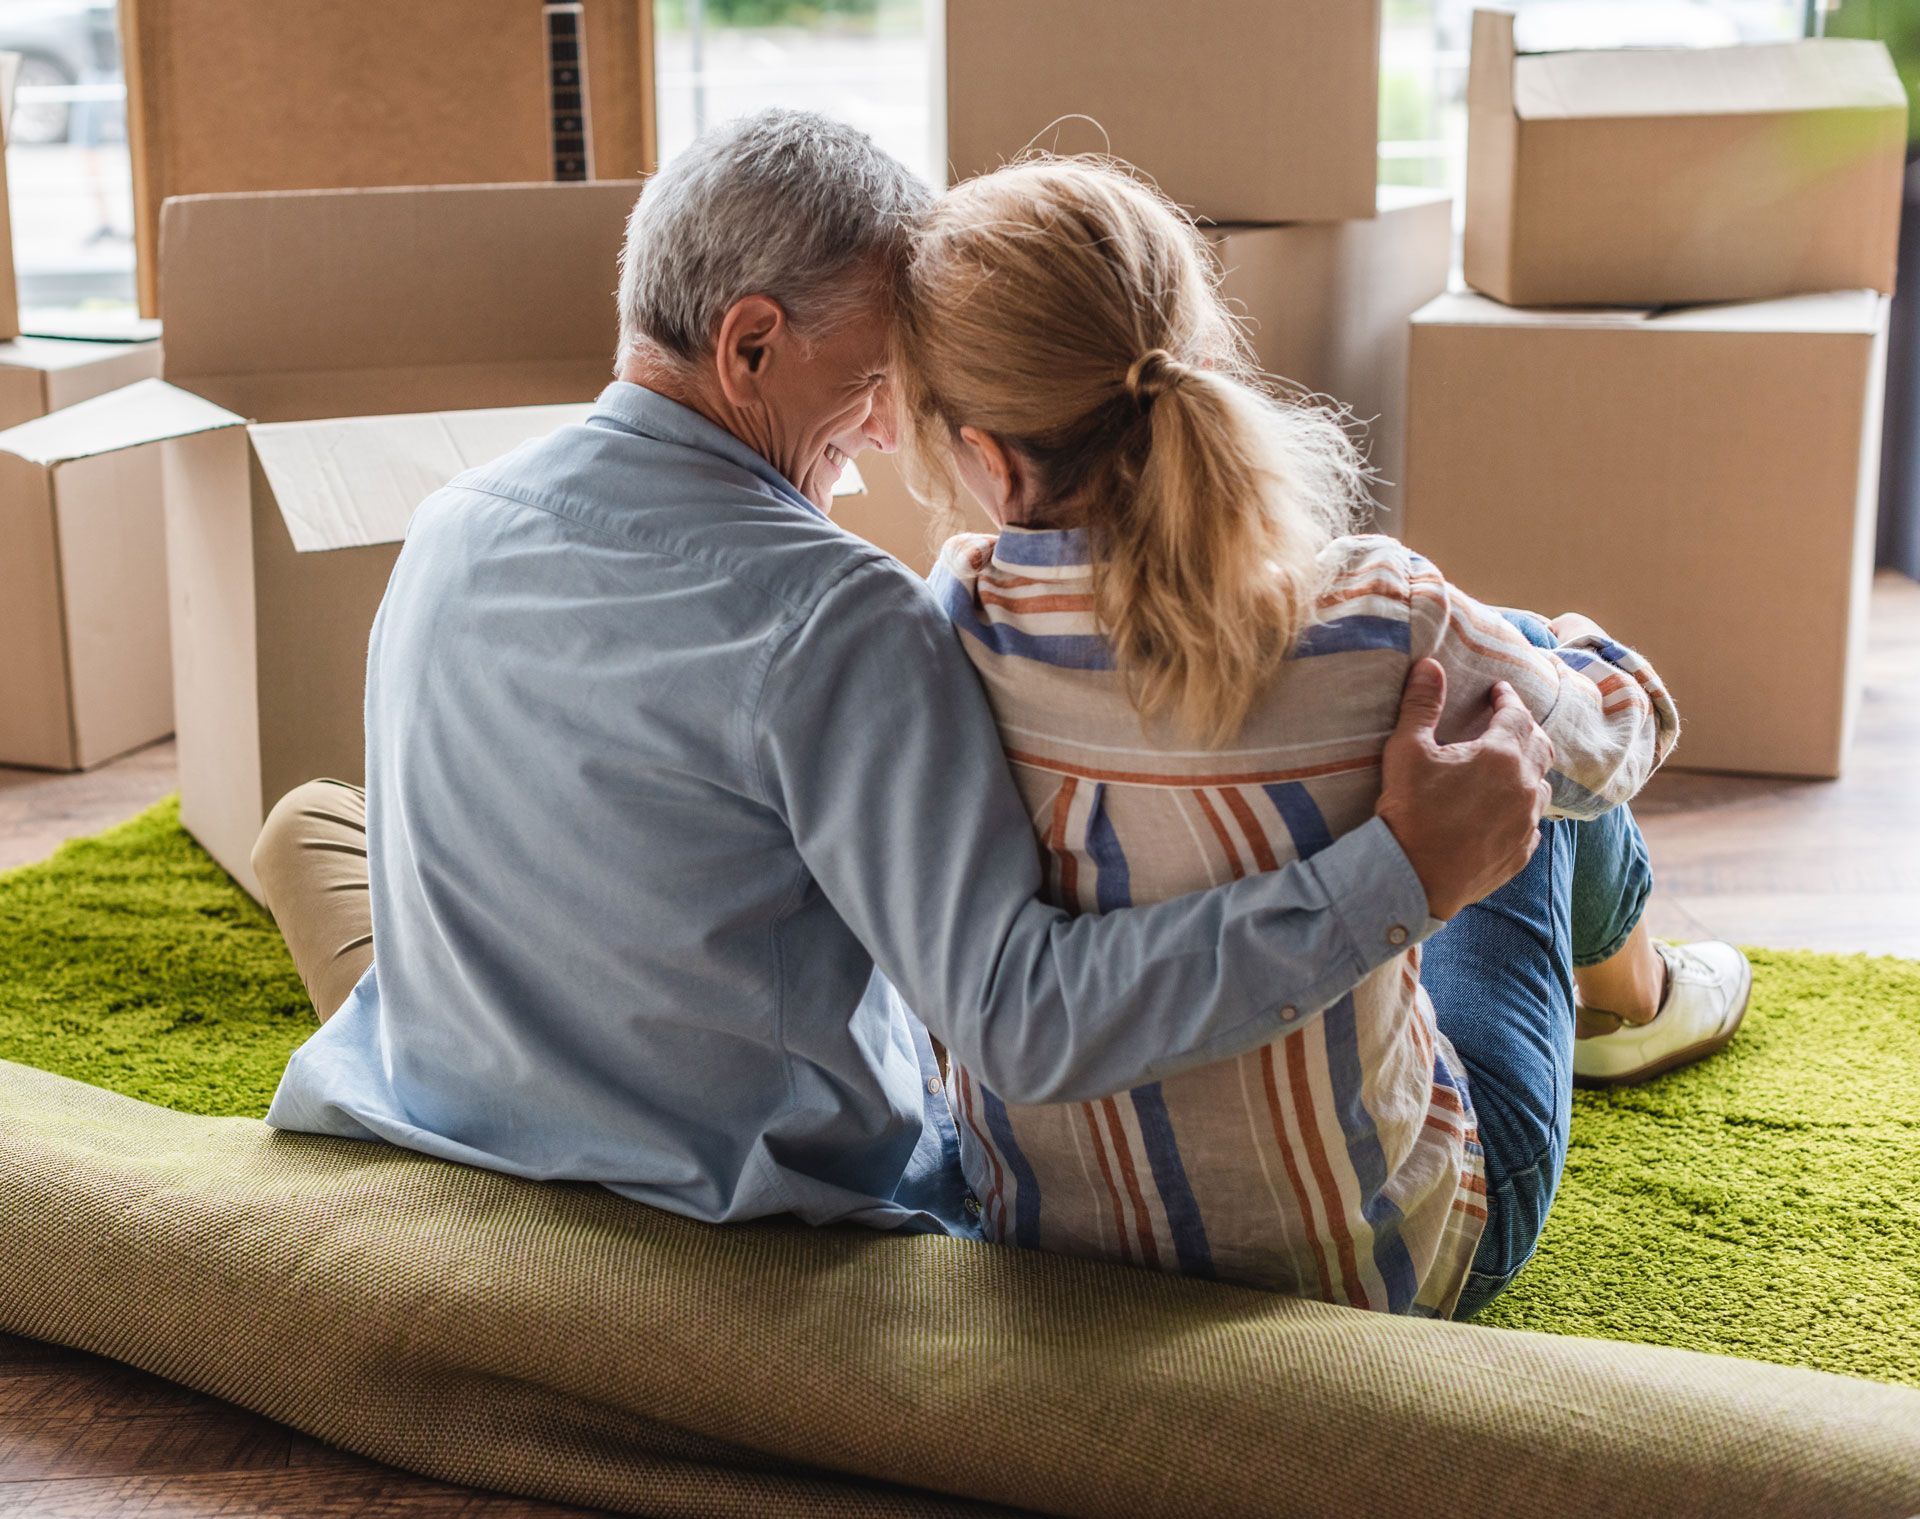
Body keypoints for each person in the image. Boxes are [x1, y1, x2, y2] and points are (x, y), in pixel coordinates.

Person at [251, 110, 1554, 1243]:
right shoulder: (839, 614)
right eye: (881, 380)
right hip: (738, 1212)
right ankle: (1636, 983)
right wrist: (1400, 874)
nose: (889, 431)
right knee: (1518, 768)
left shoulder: (454, 520)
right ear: (750, 344)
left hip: (440, 1115)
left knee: (311, 823)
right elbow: (1022, 1023)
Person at [891, 157, 1751, 1316]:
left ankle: (1634, 991)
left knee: (1490, 713)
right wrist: (1589, 658)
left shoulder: (941, 630)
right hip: (1387, 1271)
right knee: (1517, 727)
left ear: (988, 458)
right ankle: (1638, 1005)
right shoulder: (1375, 615)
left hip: (1050, 1249)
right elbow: (1612, 750)